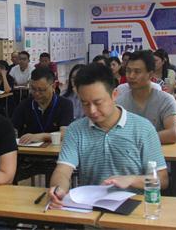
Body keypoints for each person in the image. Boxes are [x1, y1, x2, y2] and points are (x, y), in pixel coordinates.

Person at [47, 64, 167, 209]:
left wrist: (132, 180)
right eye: (85, 103)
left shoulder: (143, 128)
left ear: (114, 95)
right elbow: (63, 171)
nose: (92, 110)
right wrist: (58, 189)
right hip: (91, 209)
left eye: (98, 103)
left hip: (135, 210)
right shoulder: (75, 130)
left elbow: (162, 180)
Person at [116, 50, 176, 144]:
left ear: (150, 74)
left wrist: (139, 140)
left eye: (137, 72)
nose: (131, 76)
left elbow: (172, 134)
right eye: (128, 71)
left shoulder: (166, 100)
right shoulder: (120, 102)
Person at [12, 67, 74, 144]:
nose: (37, 93)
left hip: (55, 150)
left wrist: (41, 136)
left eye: (41, 90)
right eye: (33, 89)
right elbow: (13, 129)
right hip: (28, 150)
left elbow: (64, 134)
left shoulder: (65, 104)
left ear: (53, 86)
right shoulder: (24, 105)